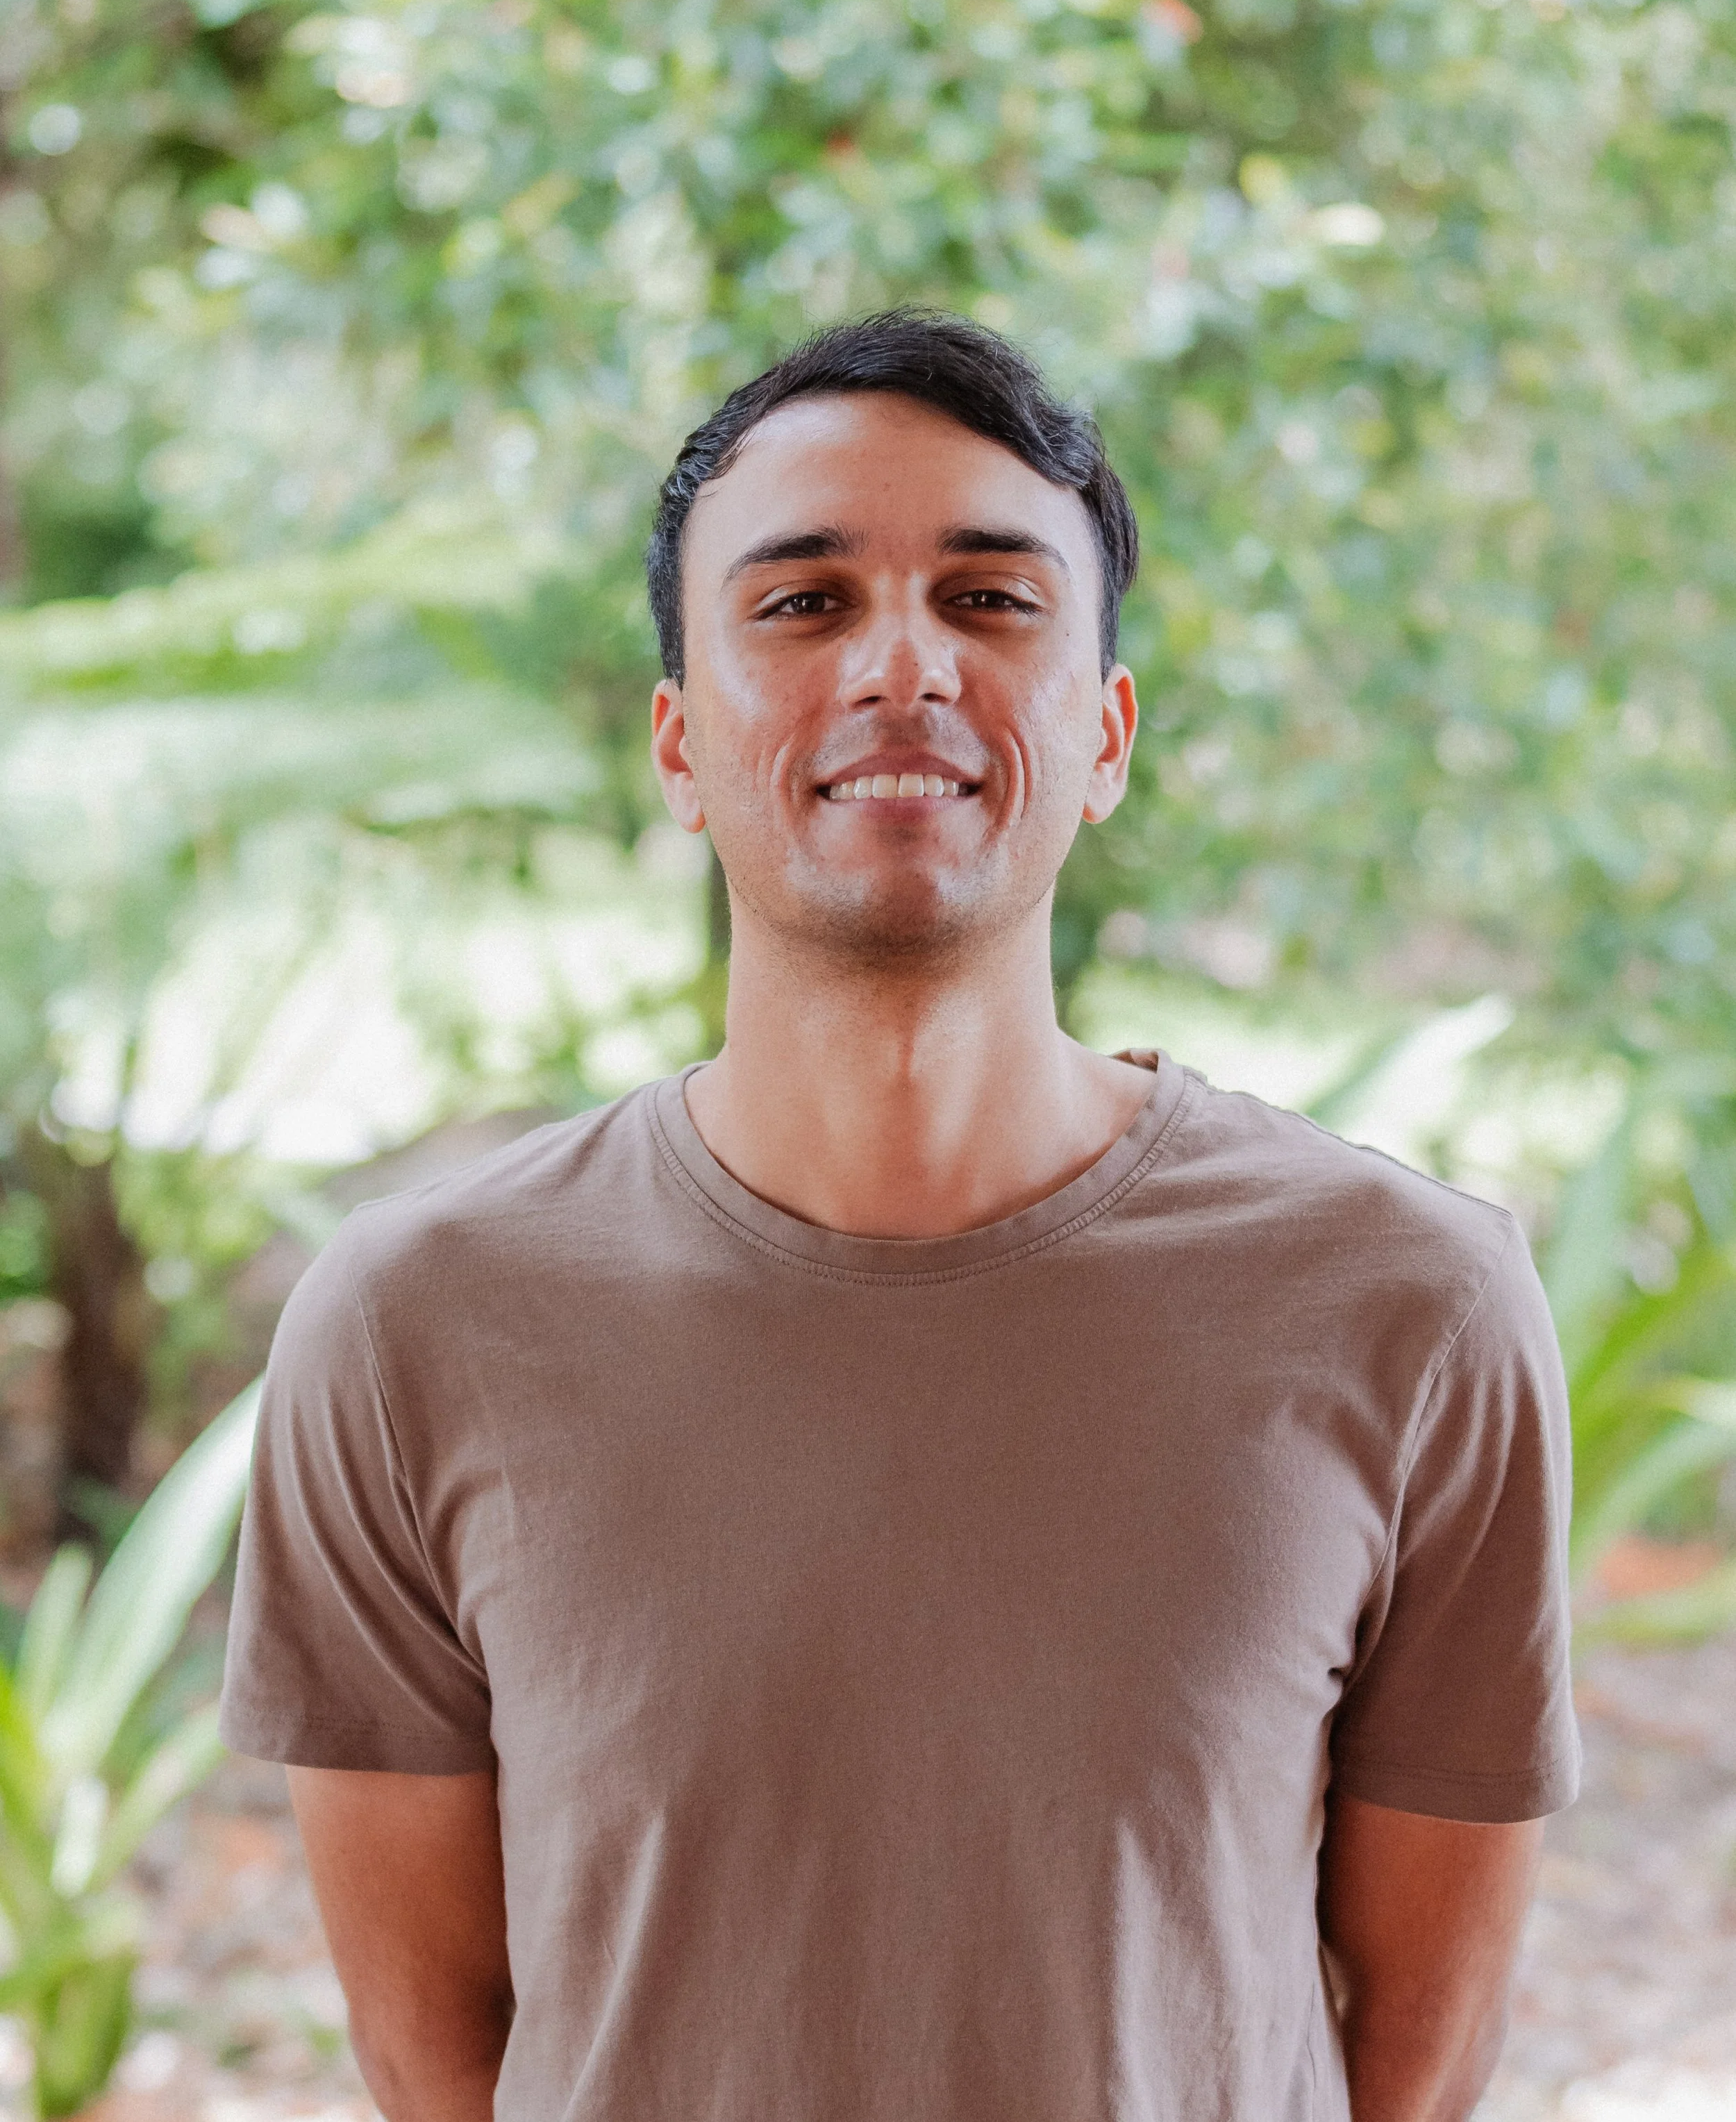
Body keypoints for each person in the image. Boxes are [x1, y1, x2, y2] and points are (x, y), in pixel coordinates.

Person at [220, 310, 1578, 2122]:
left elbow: (1416, 2045)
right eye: (800, 603)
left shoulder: (1414, 1304)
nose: (901, 665)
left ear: (1101, 738)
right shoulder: (412, 1322)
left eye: (991, 599)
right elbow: (437, 2050)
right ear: (680, 742)